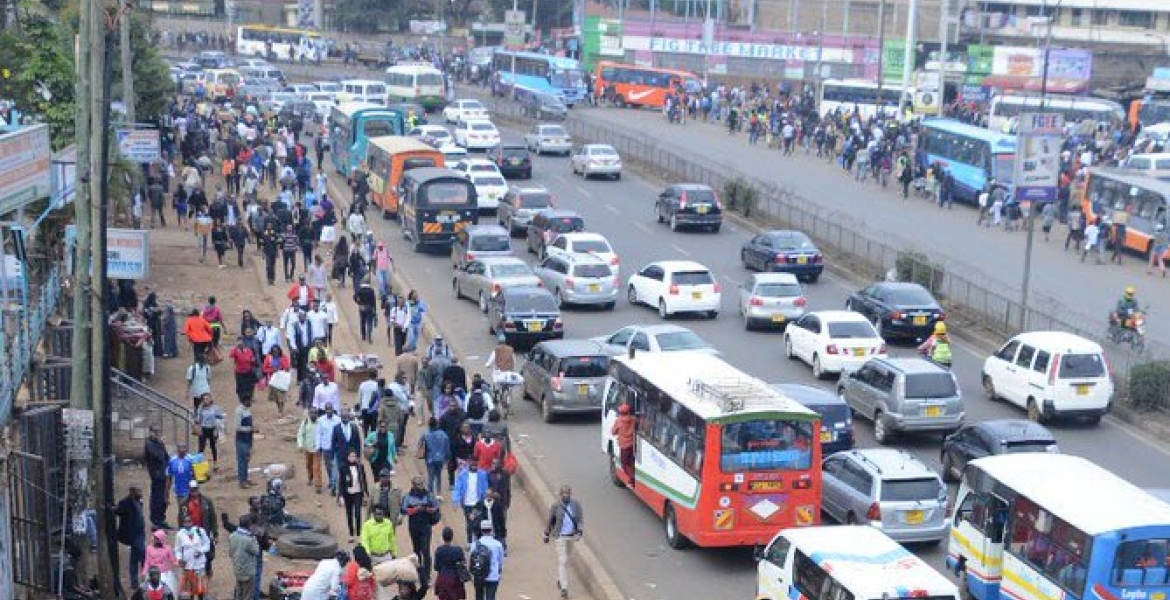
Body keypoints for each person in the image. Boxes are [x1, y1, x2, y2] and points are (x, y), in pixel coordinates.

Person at [543, 485, 583, 599]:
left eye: (568, 493)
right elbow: (550, 520)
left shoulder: (576, 505)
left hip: (571, 537)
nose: (566, 495)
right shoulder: (556, 506)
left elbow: (580, 519)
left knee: (566, 560)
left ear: (570, 494)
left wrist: (579, 531)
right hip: (560, 536)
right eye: (564, 493)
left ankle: (560, 579)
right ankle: (564, 588)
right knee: (563, 560)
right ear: (560, 495)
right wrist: (546, 533)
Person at [401, 476, 441, 581]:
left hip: (426, 526)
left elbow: (436, 507)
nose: (421, 486)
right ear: (413, 486)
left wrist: (428, 509)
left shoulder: (429, 496)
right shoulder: (408, 497)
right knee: (416, 551)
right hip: (413, 527)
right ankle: (419, 573)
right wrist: (415, 509)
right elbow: (404, 510)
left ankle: (427, 575)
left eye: (422, 484)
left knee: (426, 551)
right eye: (418, 485)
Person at [173, 513, 212, 600]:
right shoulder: (180, 534)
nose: (188, 524)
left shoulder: (200, 531)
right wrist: (179, 559)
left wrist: (200, 551)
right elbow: (177, 549)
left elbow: (207, 544)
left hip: (200, 564)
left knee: (200, 589)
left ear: (192, 522)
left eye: (189, 521)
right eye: (185, 522)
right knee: (191, 590)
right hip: (188, 565)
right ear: (183, 523)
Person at [116, 486, 148, 589]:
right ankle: (144, 579)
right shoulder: (125, 503)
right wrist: (112, 508)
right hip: (133, 535)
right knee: (144, 555)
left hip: (140, 534)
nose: (140, 493)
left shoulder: (139, 502)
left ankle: (135, 583)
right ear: (132, 492)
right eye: (138, 491)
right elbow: (118, 511)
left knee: (134, 558)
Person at [452, 461, 489, 544]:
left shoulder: (482, 474)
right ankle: (469, 542)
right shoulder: (462, 475)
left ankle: (480, 540)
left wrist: (485, 497)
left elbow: (485, 487)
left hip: (478, 503)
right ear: (469, 464)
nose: (474, 466)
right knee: (469, 524)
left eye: (475, 465)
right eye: (472, 465)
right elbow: (458, 488)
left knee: (478, 523)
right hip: (467, 504)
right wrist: (456, 501)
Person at [339, 449, 370, 541]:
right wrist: (341, 496)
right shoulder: (343, 468)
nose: (352, 458)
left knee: (357, 513)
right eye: (351, 456)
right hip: (348, 493)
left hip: (358, 493)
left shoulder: (360, 467)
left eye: (354, 456)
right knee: (349, 514)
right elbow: (341, 482)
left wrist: (366, 493)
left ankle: (359, 534)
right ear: (348, 457)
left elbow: (364, 480)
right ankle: (351, 534)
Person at [469, 520, 504, 600]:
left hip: (479, 575)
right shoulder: (497, 544)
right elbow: (500, 561)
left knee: (479, 597)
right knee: (491, 597)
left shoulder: (475, 544)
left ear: (481, 530)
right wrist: (499, 571)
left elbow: (472, 558)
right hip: (492, 575)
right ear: (491, 529)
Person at [145, 427, 172, 530]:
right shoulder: (149, 444)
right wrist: (160, 444)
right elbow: (159, 456)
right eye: (155, 432)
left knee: (164, 497)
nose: (157, 434)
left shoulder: (159, 443)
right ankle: (155, 521)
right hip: (157, 475)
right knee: (156, 498)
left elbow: (166, 456)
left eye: (158, 432)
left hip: (164, 473)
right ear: (151, 432)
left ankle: (161, 519)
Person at [228, 514, 260, 600]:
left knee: (239, 592)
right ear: (249, 525)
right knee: (247, 595)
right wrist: (254, 537)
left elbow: (230, 553)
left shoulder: (232, 536)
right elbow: (256, 551)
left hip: (237, 568)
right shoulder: (249, 539)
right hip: (248, 572)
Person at [433, 526, 467, 600]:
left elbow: (436, 567)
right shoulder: (458, 550)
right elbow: (463, 565)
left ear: (443, 537)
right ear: (452, 537)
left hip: (443, 578)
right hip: (455, 579)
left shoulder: (439, 550)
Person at [420, 418, 451, 495]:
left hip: (430, 459)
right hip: (440, 458)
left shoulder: (425, 434)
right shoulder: (443, 434)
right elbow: (447, 447)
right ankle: (439, 493)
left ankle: (430, 494)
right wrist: (447, 458)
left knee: (431, 476)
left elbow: (420, 444)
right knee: (438, 475)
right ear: (437, 424)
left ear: (429, 425)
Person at [142, 529, 178, 594]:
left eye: (156, 538)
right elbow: (147, 562)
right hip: (152, 573)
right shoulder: (149, 548)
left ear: (161, 539)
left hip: (165, 574)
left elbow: (173, 560)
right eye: (154, 537)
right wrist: (144, 572)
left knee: (166, 591)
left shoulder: (168, 548)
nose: (154, 539)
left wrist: (179, 564)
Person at [297, 408, 322, 492]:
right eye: (312, 413)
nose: (313, 415)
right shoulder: (305, 423)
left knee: (316, 467)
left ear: (317, 414)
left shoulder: (320, 423)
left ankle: (318, 485)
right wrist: (300, 445)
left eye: (315, 413)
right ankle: (310, 477)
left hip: (317, 449)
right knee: (308, 465)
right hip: (307, 449)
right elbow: (300, 434)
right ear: (309, 414)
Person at [167, 443, 195, 519]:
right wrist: (167, 493)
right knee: (183, 510)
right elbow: (169, 477)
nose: (182, 450)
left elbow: (196, 475)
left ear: (186, 449)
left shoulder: (191, 459)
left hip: (190, 490)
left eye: (184, 448)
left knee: (190, 510)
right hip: (179, 490)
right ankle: (182, 527)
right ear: (177, 449)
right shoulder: (172, 460)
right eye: (180, 448)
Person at [611, 404, 636, 484]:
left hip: (624, 446)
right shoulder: (633, 419)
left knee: (624, 464)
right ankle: (633, 477)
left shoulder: (618, 421)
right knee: (631, 462)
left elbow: (613, 432)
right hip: (632, 444)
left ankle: (632, 479)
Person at [235, 396, 257, 488]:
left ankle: (246, 478)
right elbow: (237, 427)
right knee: (242, 461)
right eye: (250, 400)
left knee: (247, 459)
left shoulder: (248, 409)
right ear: (245, 401)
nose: (251, 402)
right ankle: (242, 481)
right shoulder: (239, 411)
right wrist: (250, 429)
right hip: (241, 439)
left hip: (248, 438)